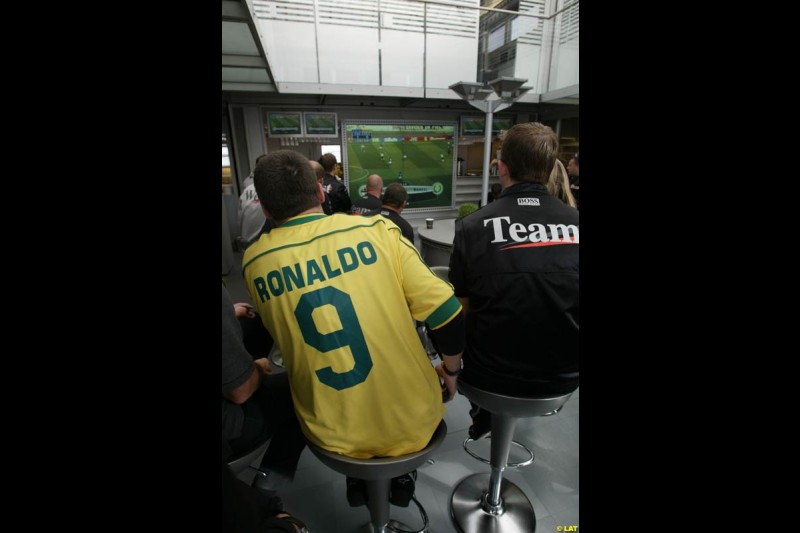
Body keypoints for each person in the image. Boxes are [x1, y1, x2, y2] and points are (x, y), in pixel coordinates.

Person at [242, 150, 465, 460]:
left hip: (329, 434)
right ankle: (397, 482)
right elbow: (447, 313)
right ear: (320, 191)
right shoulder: (378, 232)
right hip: (416, 420)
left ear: (265, 209)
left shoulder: (254, 263)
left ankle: (362, 484)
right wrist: (452, 372)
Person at [448, 123, 579, 439]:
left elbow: (459, 312)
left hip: (487, 378)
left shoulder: (472, 227)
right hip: (563, 379)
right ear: (550, 169)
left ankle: (484, 419)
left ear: (501, 167)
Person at [222, 283, 307, 494]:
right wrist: (257, 370)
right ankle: (263, 499)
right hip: (228, 426)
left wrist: (227, 312)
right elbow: (239, 393)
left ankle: (248, 382)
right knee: (302, 393)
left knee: (257, 326)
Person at [239, 155, 269, 244]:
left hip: (249, 233)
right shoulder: (249, 184)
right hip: (258, 230)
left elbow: (241, 212)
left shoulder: (248, 186)